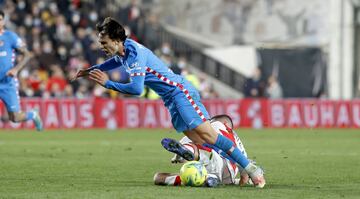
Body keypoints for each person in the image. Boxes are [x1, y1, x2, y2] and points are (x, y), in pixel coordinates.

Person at [71, 17, 265, 188]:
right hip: (170, 99)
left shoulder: (135, 55)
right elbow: (112, 63)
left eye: (104, 42)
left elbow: (137, 89)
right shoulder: (124, 52)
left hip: (180, 92)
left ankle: (251, 168)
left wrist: (108, 83)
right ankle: (234, 167)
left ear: (116, 40)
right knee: (199, 140)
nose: (102, 46)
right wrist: (90, 70)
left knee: (208, 135)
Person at [154, 115, 256, 187]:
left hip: (199, 163)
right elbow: (244, 166)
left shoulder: (202, 128)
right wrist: (243, 182)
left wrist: (180, 157)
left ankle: (194, 160)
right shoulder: (230, 133)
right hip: (224, 167)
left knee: (158, 177)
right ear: (227, 124)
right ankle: (210, 178)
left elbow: (186, 159)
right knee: (216, 167)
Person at [0, 10, 42, 131]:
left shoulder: (10, 36)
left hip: (7, 83)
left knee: (15, 118)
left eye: (0, 19)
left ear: (3, 21)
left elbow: (28, 54)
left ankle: (33, 115)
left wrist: (16, 69)